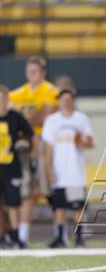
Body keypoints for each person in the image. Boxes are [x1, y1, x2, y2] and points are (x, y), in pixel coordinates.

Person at [8, 56, 59, 247]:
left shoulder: (50, 91)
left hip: (45, 147)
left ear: (43, 72)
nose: (32, 75)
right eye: (29, 71)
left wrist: (22, 117)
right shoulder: (18, 92)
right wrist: (28, 117)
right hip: (25, 148)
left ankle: (59, 232)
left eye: (35, 71)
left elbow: (43, 119)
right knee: (27, 192)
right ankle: (22, 236)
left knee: (50, 190)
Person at [42, 89, 94, 248]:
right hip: (59, 170)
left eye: (68, 99)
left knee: (77, 205)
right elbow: (48, 147)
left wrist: (83, 142)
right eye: (63, 99)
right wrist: (49, 168)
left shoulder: (81, 119)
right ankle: (60, 237)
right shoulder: (52, 120)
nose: (65, 102)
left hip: (75, 172)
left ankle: (79, 238)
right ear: (59, 101)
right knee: (59, 206)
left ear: (73, 101)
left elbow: (89, 143)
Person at [0, 85, 34, 248]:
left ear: (7, 98)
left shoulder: (15, 117)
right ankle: (2, 236)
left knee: (13, 204)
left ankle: (15, 236)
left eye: (2, 98)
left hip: (11, 167)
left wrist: (24, 144)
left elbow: (29, 134)